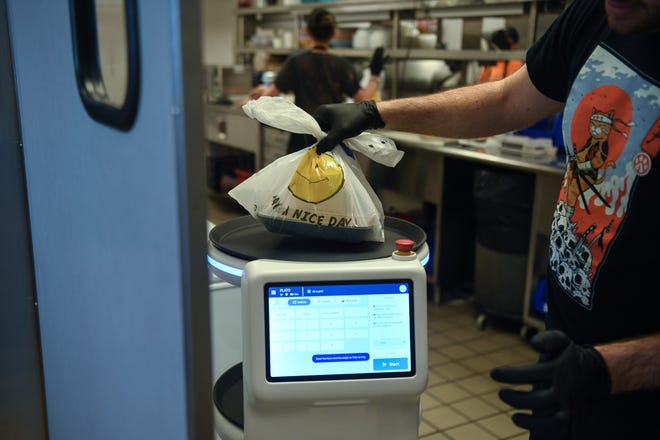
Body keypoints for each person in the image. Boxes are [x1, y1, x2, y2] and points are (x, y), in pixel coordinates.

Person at [312, 0, 660, 438]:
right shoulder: (595, 14)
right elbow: (507, 98)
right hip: (567, 361)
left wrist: (611, 370)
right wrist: (378, 114)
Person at [248, 7, 385, 154]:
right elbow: (363, 99)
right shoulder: (342, 65)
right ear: (333, 33)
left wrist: (258, 94)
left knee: (299, 176)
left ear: (307, 32)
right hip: (330, 137)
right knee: (328, 177)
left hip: (302, 135)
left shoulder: (296, 61)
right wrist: (374, 76)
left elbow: (272, 93)